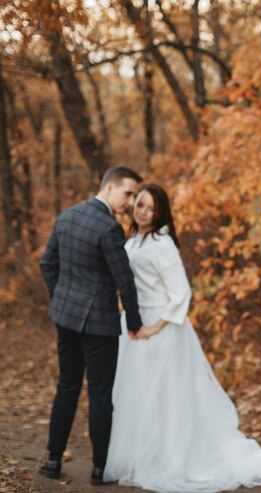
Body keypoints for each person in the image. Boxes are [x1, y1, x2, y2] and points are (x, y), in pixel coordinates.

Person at [104, 184, 261, 492]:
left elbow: (180, 293)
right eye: (140, 205)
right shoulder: (132, 239)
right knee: (138, 394)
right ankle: (141, 453)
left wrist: (155, 327)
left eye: (151, 208)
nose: (144, 212)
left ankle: (172, 458)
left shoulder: (162, 243)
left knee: (166, 396)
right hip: (134, 324)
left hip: (161, 328)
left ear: (160, 212)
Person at [38, 166, 145, 485]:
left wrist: (62, 301)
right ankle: (99, 470)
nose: (130, 201)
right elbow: (124, 280)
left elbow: (47, 264)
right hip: (99, 324)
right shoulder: (109, 228)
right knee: (100, 394)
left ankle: (53, 461)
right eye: (128, 193)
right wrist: (135, 321)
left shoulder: (67, 216)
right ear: (109, 188)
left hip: (65, 319)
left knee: (67, 386)